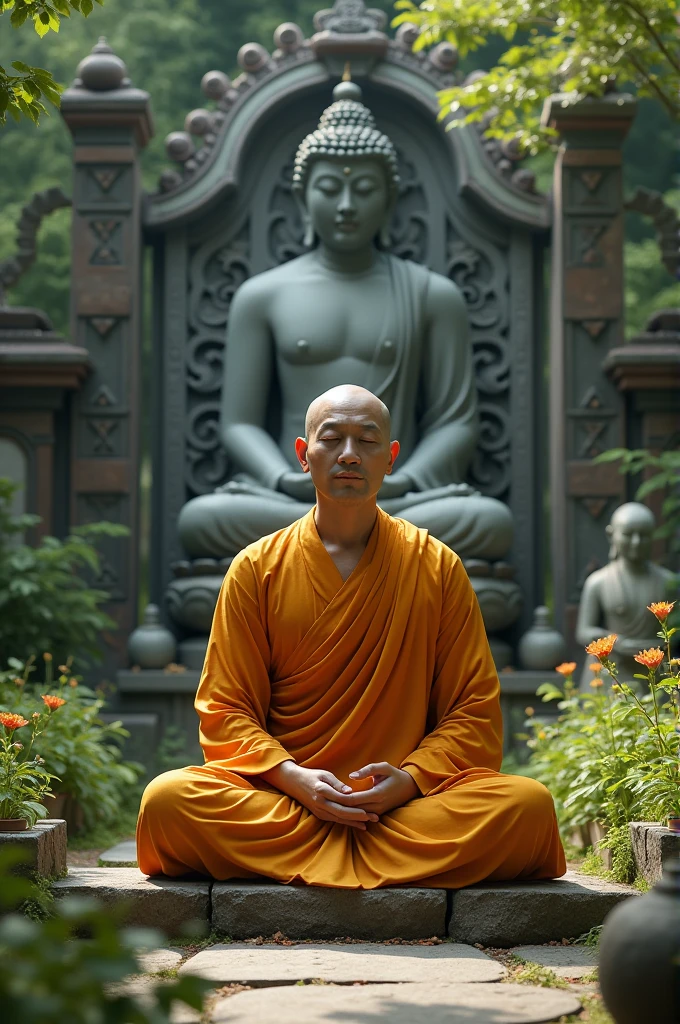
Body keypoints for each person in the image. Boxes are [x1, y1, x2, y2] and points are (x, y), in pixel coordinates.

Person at [137, 385, 565, 887]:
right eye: (332, 438)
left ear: (391, 458)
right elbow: (225, 710)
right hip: (286, 801)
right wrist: (293, 778)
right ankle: (391, 861)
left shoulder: (436, 566)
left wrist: (409, 781)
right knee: (166, 802)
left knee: (528, 806)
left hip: (402, 809)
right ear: (303, 454)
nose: (348, 455)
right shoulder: (256, 568)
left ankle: (315, 857)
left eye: (367, 441)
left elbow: (473, 712)